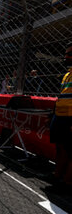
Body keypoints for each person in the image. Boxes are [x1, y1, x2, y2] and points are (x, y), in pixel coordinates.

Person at [49, 43, 72, 189]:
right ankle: (57, 176)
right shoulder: (67, 75)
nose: (66, 56)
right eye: (66, 53)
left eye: (70, 54)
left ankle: (67, 183)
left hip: (70, 117)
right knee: (60, 147)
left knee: (69, 150)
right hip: (60, 115)